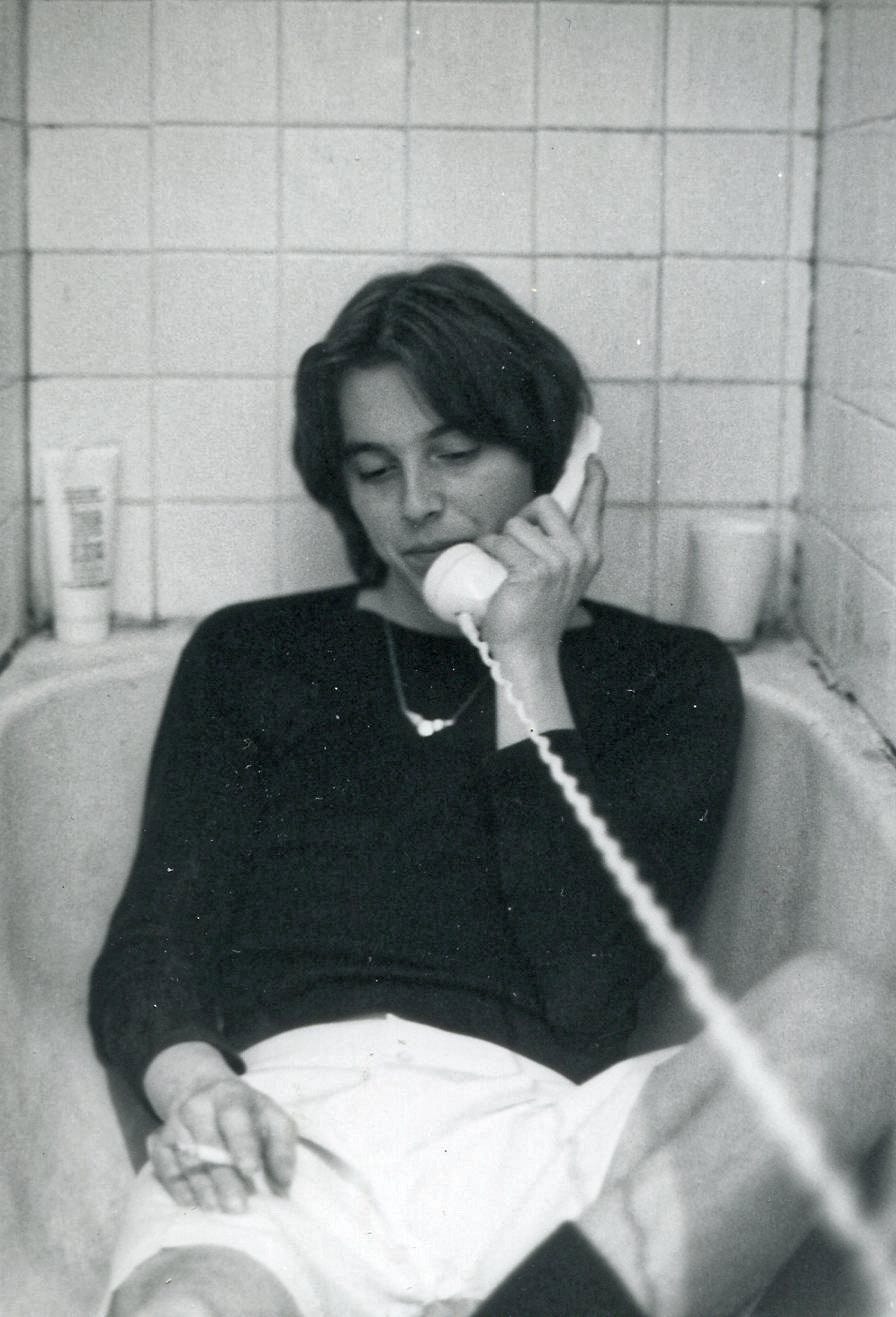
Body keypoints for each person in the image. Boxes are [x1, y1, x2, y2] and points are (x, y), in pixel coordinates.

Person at [90, 263, 896, 1317]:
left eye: (456, 455)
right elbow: (156, 936)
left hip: (548, 1141)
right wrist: (198, 1089)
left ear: (555, 463)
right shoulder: (255, 654)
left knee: (849, 1015)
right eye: (374, 470)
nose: (416, 507)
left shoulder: (667, 679)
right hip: (283, 1135)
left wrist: (527, 665)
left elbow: (584, 992)